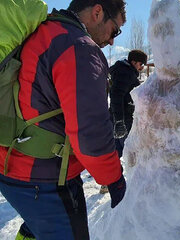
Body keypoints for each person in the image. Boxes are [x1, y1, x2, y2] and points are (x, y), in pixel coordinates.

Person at [0, 1, 127, 239]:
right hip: (45, 180)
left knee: (35, 227)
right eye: (115, 30)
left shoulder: (42, 32)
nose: (112, 41)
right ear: (97, 12)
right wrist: (114, 178)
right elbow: (91, 135)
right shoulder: (80, 48)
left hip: (10, 164)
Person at [99, 49, 147, 194]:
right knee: (132, 151)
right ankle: (134, 185)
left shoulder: (121, 71)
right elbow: (116, 96)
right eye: (141, 64)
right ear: (134, 62)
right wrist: (119, 122)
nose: (142, 67)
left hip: (116, 118)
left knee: (115, 152)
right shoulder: (126, 73)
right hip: (123, 120)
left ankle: (109, 183)